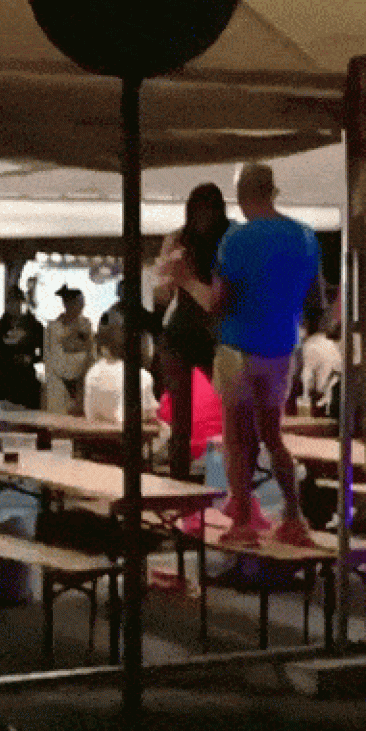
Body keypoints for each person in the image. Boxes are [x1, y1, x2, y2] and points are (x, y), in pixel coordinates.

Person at [212, 162, 319, 547]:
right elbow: (314, 298)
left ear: (242, 196)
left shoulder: (236, 239)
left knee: (237, 438)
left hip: (238, 346)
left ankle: (242, 522)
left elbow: (219, 301)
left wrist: (187, 281)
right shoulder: (305, 236)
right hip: (281, 348)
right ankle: (293, 516)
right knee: (273, 436)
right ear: (273, 192)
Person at [155, 182, 230, 479]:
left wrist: (184, 279)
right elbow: (161, 296)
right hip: (181, 334)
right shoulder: (178, 239)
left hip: (213, 334)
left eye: (208, 210)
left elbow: (217, 304)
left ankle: (232, 482)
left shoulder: (228, 243)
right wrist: (166, 275)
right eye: (198, 211)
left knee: (232, 412)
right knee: (180, 424)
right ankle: (179, 485)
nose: (202, 218)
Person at [84, 306, 158, 464]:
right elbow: (149, 417)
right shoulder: (141, 376)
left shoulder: (92, 373)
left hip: (95, 448)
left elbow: (90, 413)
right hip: (127, 453)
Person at [0, 286, 44, 410]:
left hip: (26, 381)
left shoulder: (35, 327)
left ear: (23, 304)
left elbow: (45, 352)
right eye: (11, 302)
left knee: (28, 417)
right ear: (6, 304)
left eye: (18, 302)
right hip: (1, 380)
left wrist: (31, 358)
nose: (15, 306)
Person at [44, 286, 94, 415]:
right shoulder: (53, 328)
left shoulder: (86, 324)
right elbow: (64, 349)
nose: (82, 306)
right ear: (67, 304)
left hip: (82, 380)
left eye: (82, 303)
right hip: (59, 382)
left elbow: (90, 346)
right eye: (78, 303)